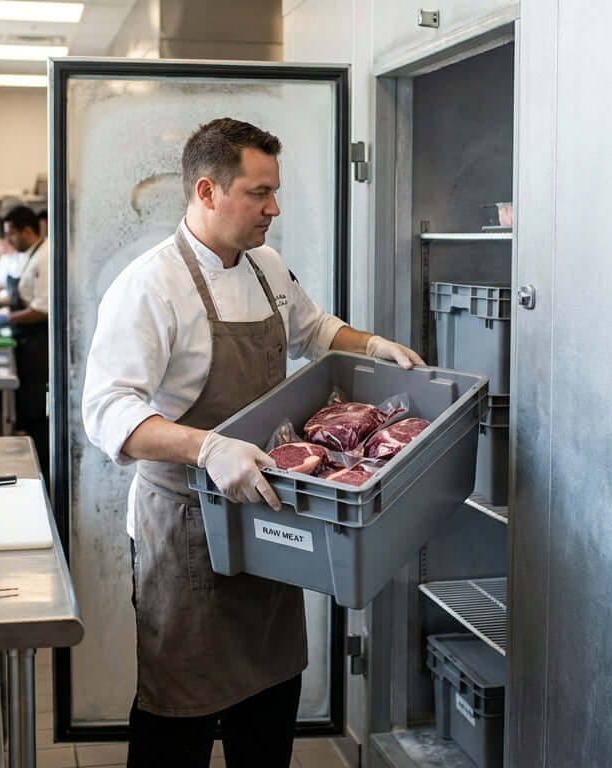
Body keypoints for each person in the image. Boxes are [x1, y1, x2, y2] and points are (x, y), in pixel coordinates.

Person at [79, 118, 422, 767]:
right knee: (177, 718)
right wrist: (209, 448)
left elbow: (313, 330)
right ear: (207, 192)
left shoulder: (265, 268)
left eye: (276, 191)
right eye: (259, 192)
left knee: (266, 709)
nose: (275, 208)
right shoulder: (149, 286)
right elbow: (106, 411)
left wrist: (372, 346)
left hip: (264, 520)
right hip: (185, 533)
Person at [0, 205, 51, 480]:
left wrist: (7, 318)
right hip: (26, 342)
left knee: (37, 411)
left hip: (40, 344)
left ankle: (43, 471)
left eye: (12, 235)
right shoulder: (26, 256)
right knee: (29, 412)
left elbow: (43, 310)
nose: (9, 241)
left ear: (28, 231)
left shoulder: (45, 257)